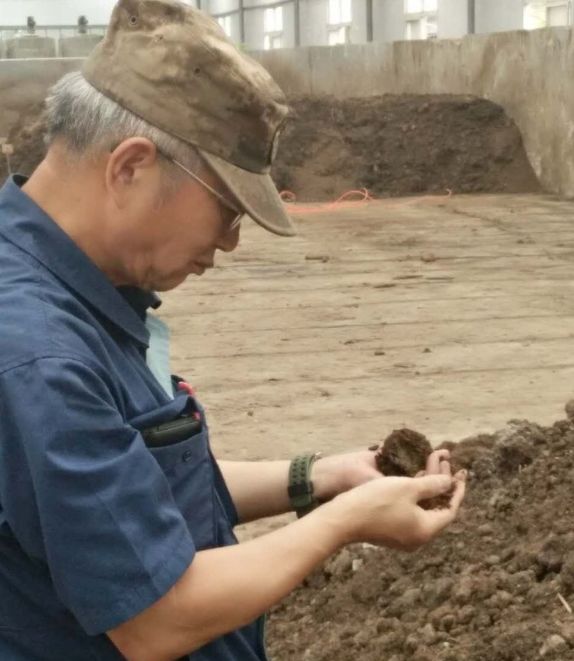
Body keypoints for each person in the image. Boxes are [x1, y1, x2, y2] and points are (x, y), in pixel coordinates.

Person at [0, 1, 466, 659]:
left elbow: (134, 483)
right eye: (225, 207)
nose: (232, 240)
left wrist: (324, 477)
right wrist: (347, 521)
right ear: (130, 167)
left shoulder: (84, 293)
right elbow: (157, 616)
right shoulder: (37, 354)